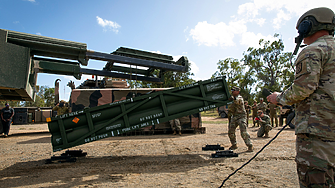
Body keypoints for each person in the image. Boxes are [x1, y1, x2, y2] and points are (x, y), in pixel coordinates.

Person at [267, 7, 335, 187]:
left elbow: (303, 89)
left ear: (308, 26)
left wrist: (279, 98)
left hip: (318, 135)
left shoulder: (313, 51)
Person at [228, 86, 253, 152]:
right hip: (234, 116)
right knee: (231, 131)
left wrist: (232, 99)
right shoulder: (233, 98)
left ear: (238, 92)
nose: (232, 91)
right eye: (232, 90)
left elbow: (237, 101)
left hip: (241, 116)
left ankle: (250, 145)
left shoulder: (239, 98)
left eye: (234, 90)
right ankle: (234, 144)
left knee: (243, 131)